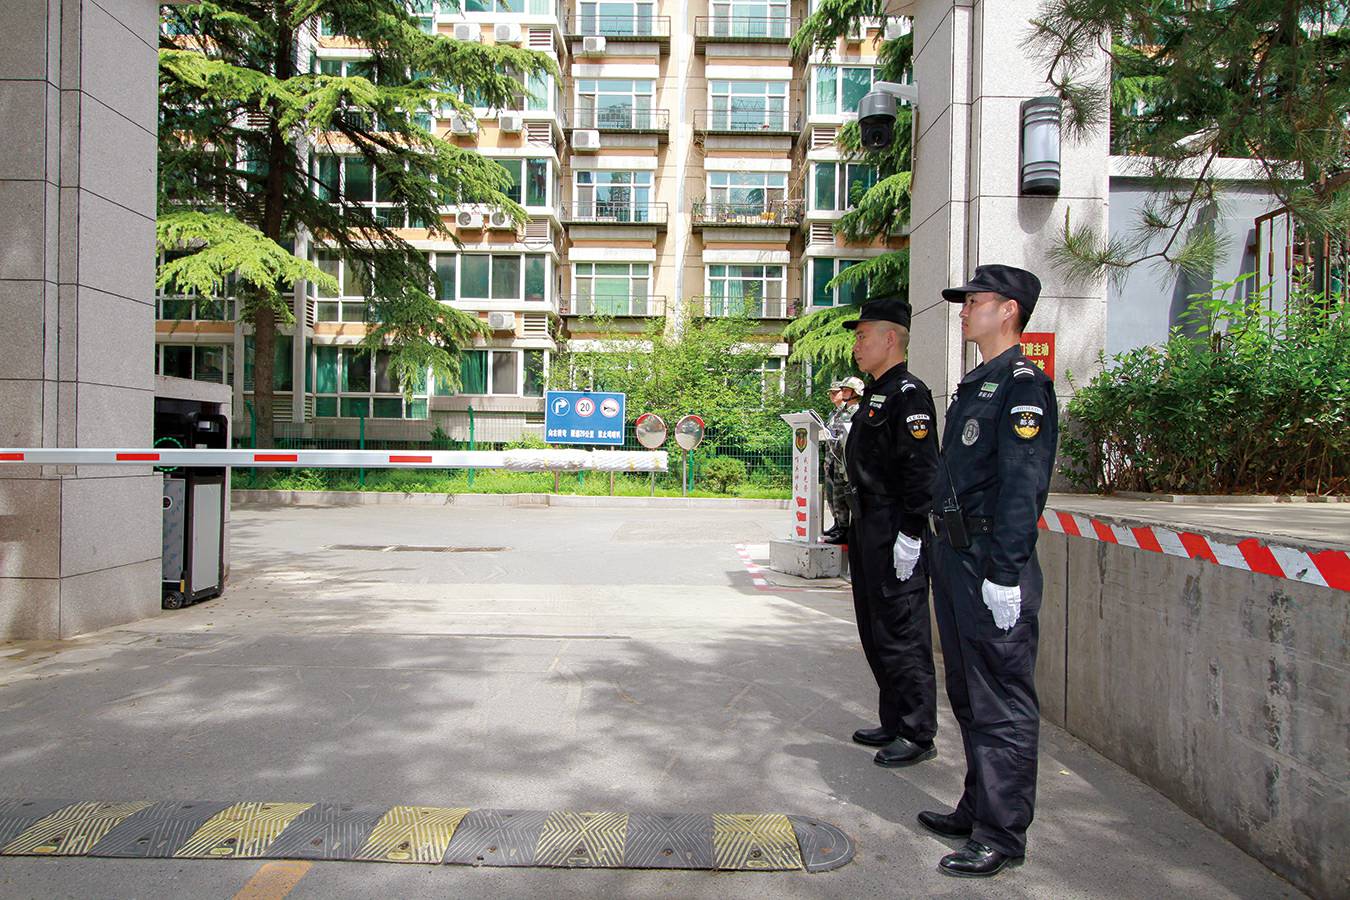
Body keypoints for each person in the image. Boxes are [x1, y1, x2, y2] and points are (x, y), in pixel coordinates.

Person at [920, 265, 1058, 878]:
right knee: (968, 692)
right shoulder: (978, 383)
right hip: (957, 556)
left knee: (1001, 701)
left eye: (974, 301)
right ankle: (977, 807)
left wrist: (1005, 573)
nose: (963, 310)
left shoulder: (1023, 386)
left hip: (990, 563)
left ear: (1008, 310)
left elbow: (1024, 486)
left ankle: (1002, 833)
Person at [841, 295, 940, 767]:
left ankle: (918, 731)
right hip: (868, 524)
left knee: (902, 628)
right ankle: (895, 717)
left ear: (890, 338)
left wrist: (911, 533)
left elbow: (921, 470)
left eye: (863, 336)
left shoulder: (909, 394)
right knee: (875, 625)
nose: (857, 345)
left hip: (894, 524)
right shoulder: (877, 392)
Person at [821, 376, 864, 544]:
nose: (842, 392)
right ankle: (839, 525)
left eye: (846, 390)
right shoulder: (841, 411)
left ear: (856, 392)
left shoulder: (858, 411)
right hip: (835, 459)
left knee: (844, 497)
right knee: (835, 496)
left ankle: (845, 529)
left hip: (846, 462)